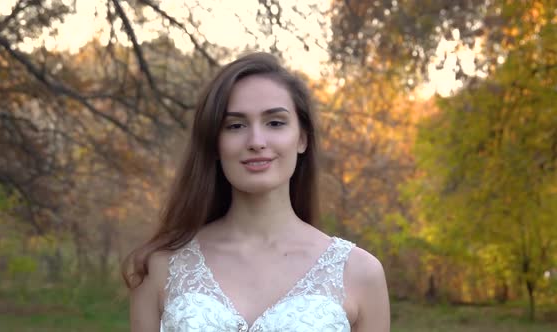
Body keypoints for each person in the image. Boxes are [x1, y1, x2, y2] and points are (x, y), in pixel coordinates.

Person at [123, 52, 390, 332]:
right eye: (236, 126)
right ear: (215, 143)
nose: (256, 141)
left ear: (302, 138)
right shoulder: (159, 267)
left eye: (275, 123)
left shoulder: (360, 273)